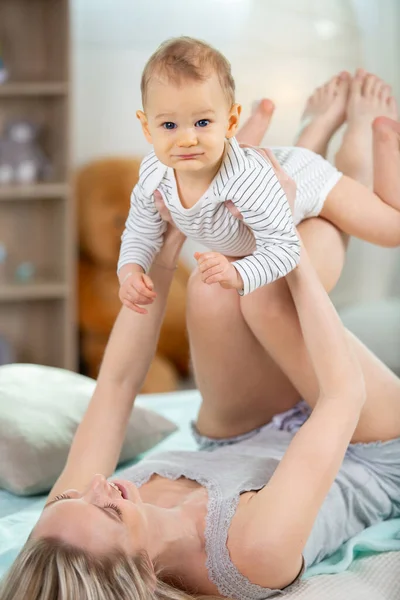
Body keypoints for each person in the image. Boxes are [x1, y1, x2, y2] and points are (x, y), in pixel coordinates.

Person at [1, 71, 400, 600]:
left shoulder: (69, 526)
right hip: (363, 444)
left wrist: (160, 255)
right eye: (111, 509)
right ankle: (335, 164)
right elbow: (341, 398)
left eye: (75, 498)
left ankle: (286, 163)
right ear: (141, 571)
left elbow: (118, 383)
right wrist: (282, 242)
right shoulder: (249, 553)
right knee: (264, 293)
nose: (96, 486)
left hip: (237, 434)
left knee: (214, 292)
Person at [118, 37, 400, 311]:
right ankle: (311, 128)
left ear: (230, 121)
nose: (187, 139)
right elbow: (140, 231)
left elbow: (284, 248)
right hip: (261, 176)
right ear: (146, 128)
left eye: (202, 122)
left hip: (307, 179)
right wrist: (130, 271)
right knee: (231, 155)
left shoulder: (245, 183)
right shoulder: (155, 173)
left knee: (392, 229)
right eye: (169, 125)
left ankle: (384, 138)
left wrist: (237, 273)